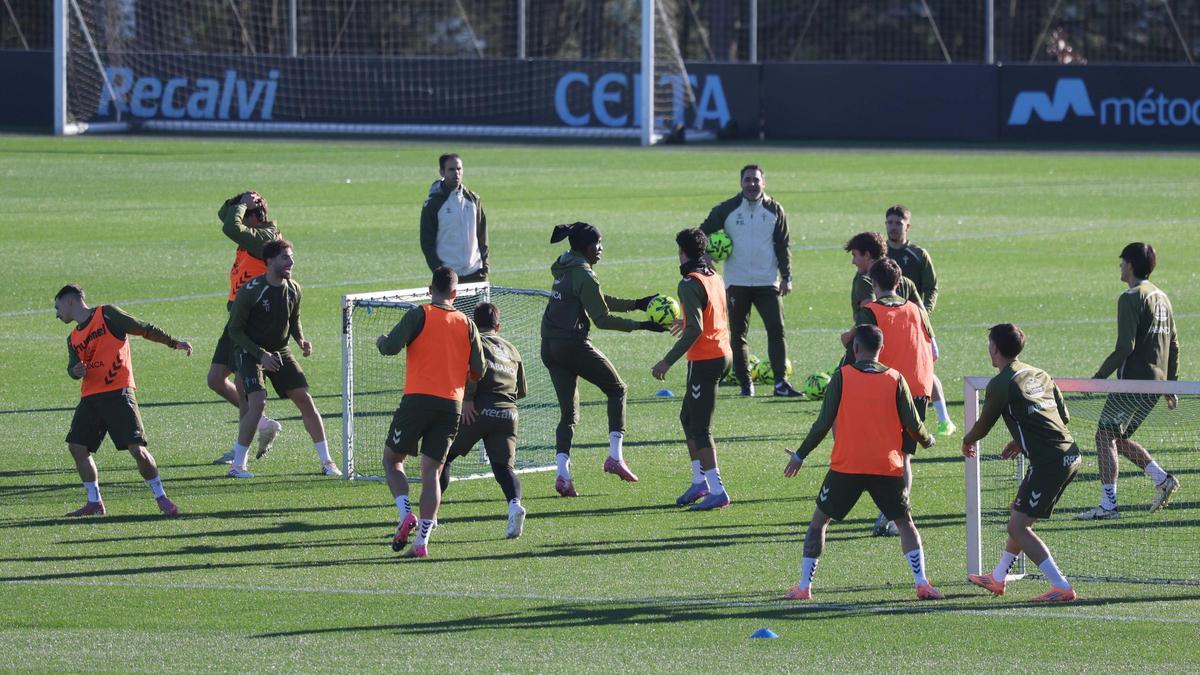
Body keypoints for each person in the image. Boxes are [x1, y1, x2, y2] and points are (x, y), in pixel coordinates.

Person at [782, 325, 941, 601]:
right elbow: (913, 424)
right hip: (886, 467)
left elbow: (822, 424)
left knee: (819, 522)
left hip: (847, 467)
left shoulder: (841, 377)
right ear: (881, 349)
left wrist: (800, 455)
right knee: (905, 523)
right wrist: (927, 441)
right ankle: (922, 583)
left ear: (855, 348)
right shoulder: (895, 378)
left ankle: (804, 587)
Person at [540, 221, 666, 496]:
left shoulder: (565, 266)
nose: (601, 249)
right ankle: (615, 457)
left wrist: (637, 304)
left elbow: (595, 298)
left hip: (549, 346)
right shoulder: (583, 273)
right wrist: (643, 325)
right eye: (598, 244)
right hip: (571, 345)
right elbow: (602, 319)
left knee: (569, 415)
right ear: (586, 247)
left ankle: (562, 474)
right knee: (617, 389)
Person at [961, 323, 1081, 602]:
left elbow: (983, 426)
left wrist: (967, 440)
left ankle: (1060, 585)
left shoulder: (1001, 383)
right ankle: (998, 577)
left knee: (1018, 526)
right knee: (1018, 515)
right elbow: (1062, 417)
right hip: (1068, 453)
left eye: (989, 344)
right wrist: (1022, 438)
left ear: (995, 348)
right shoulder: (1040, 373)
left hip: (1050, 462)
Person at [55, 284, 191, 517]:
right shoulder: (73, 338)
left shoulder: (106, 314)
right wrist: (75, 371)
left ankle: (161, 497)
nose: (57, 314)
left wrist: (172, 342)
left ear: (70, 301)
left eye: (57, 307)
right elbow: (72, 367)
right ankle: (94, 502)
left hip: (118, 392)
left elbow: (141, 328)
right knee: (77, 447)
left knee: (137, 449)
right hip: (90, 397)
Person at [377, 267, 485, 558]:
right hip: (452, 405)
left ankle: (405, 514)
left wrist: (381, 341)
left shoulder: (419, 314)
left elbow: (390, 347)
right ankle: (422, 542)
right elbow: (480, 370)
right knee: (432, 474)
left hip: (417, 400)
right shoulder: (466, 323)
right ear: (455, 293)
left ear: (429, 288)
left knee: (392, 460)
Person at [1077, 243, 1181, 520]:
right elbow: (1174, 343)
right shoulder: (1163, 297)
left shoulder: (1131, 297)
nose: (1120, 266)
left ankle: (1108, 505)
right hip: (1156, 385)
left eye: (1122, 262)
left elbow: (1125, 347)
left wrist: (1098, 378)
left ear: (1131, 265)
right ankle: (1162, 479)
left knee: (1103, 436)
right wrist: (1171, 384)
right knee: (1116, 438)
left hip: (1133, 381)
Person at [223, 239, 340, 479]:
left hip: (280, 350)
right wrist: (260, 355)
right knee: (258, 403)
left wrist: (301, 340)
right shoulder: (251, 291)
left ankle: (327, 462)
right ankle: (237, 465)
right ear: (270, 261)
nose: (291, 261)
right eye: (285, 257)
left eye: (291, 257)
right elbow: (234, 330)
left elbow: (293, 318)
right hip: (250, 352)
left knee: (305, 399)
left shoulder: (294, 288)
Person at [848, 258, 936, 537]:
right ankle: (894, 514)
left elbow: (857, 350)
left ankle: (893, 513)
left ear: (873, 284)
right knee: (903, 456)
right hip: (919, 387)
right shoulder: (916, 309)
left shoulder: (871, 310)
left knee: (884, 453)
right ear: (900, 283)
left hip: (888, 386)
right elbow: (931, 348)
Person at [699, 164, 803, 398]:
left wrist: (787, 277)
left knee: (777, 331)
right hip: (737, 282)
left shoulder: (775, 209)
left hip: (768, 282)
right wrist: (705, 255)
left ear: (763, 183)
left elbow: (783, 245)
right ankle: (746, 384)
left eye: (756, 180)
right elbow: (701, 233)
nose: (752, 184)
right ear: (741, 183)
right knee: (737, 334)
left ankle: (780, 383)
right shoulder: (727, 209)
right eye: (748, 180)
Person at [651, 229, 733, 511]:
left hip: (705, 358)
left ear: (682, 252)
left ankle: (717, 489)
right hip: (722, 353)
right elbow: (709, 315)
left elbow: (697, 329)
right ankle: (700, 482)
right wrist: (686, 322)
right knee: (687, 417)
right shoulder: (713, 276)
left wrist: (667, 360)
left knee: (700, 427)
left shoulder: (688, 282)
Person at [441, 303, 528, 539]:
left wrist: (469, 399)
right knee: (504, 468)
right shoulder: (512, 349)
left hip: (478, 410)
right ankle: (515, 505)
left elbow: (473, 370)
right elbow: (521, 391)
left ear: (473, 323)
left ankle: (431, 515)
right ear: (498, 326)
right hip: (509, 413)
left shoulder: (475, 342)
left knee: (444, 457)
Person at [210, 191, 282, 465]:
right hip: (235, 318)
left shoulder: (264, 238)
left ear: (254, 215)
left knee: (243, 387)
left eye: (242, 213)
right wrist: (238, 202)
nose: (237, 216)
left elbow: (229, 225)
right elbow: (224, 216)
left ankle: (241, 452)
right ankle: (262, 424)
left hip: (251, 321)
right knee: (216, 379)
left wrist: (239, 206)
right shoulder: (249, 232)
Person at [885, 204, 955, 436]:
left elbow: (932, 287)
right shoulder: (881, 253)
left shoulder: (918, 254)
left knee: (924, 370)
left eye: (898, 223)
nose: (893, 228)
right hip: (886, 321)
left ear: (908, 226)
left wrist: (924, 313)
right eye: (890, 223)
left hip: (914, 325)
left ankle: (944, 419)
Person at [840, 231, 921, 367]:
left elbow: (869, 318)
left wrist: (848, 336)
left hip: (873, 349)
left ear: (867, 255)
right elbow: (923, 313)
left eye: (855, 255)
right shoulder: (905, 281)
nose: (853, 261)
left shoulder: (866, 281)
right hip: (905, 349)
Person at [420, 153, 489, 283]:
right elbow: (427, 242)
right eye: (451, 169)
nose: (456, 173)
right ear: (442, 172)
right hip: (448, 277)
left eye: (459, 169)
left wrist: (485, 267)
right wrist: (439, 270)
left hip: (476, 274)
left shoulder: (473, 200)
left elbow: (482, 235)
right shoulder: (433, 204)